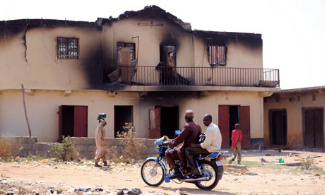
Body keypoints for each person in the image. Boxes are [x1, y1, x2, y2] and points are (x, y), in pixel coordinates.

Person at [165, 110, 202, 179]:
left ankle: (177, 172)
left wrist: (171, 144)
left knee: (167, 153)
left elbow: (180, 139)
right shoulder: (197, 125)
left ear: (185, 118)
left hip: (185, 149)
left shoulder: (187, 126)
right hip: (193, 149)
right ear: (193, 117)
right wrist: (173, 141)